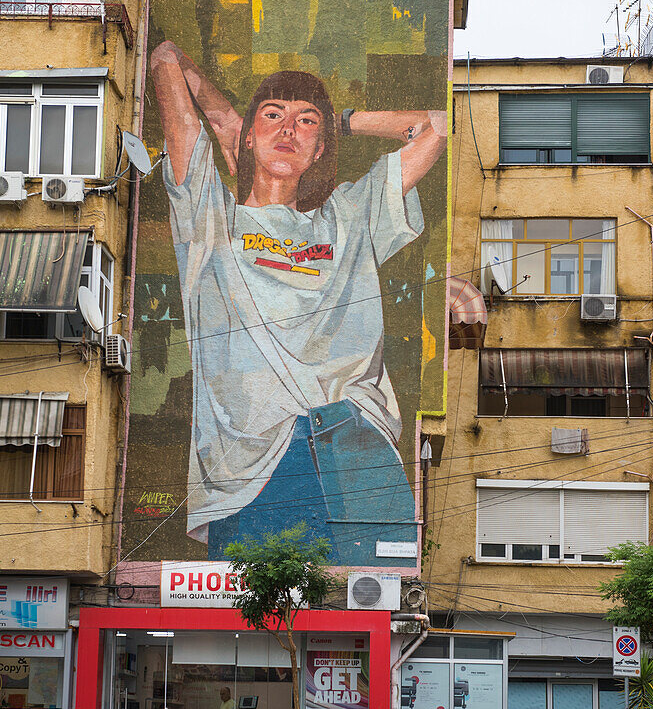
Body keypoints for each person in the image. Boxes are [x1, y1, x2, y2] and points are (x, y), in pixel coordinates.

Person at [150, 43, 447, 565]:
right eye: (273, 116)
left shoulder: (350, 215)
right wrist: (227, 120)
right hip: (252, 469)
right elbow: (165, 58)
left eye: (305, 122)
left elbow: (436, 126)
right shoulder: (209, 221)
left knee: (380, 611)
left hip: (358, 445)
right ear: (246, 135)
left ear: (319, 148)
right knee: (258, 630)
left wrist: (339, 120)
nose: (288, 129)